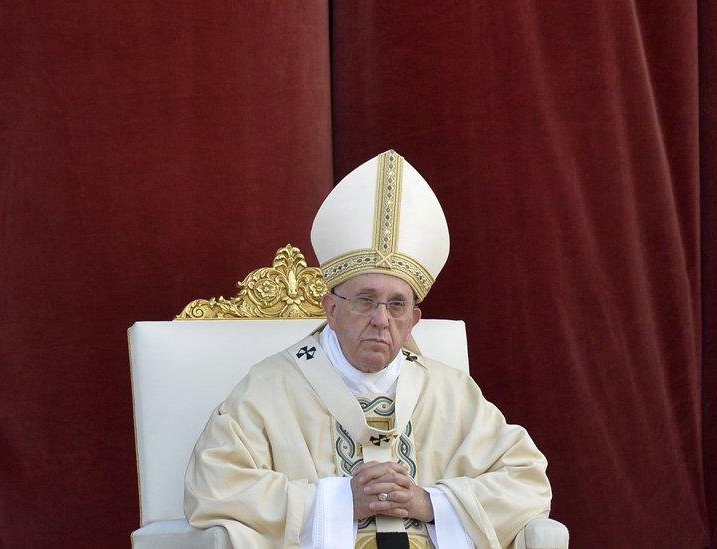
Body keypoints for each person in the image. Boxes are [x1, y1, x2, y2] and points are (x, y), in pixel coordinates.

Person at [185, 150, 552, 548]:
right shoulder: (271, 388)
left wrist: (430, 502)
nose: (381, 319)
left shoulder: (450, 393)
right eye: (364, 300)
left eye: (397, 305)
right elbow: (214, 481)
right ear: (331, 308)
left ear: (414, 320)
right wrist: (340, 502)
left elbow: (527, 481)